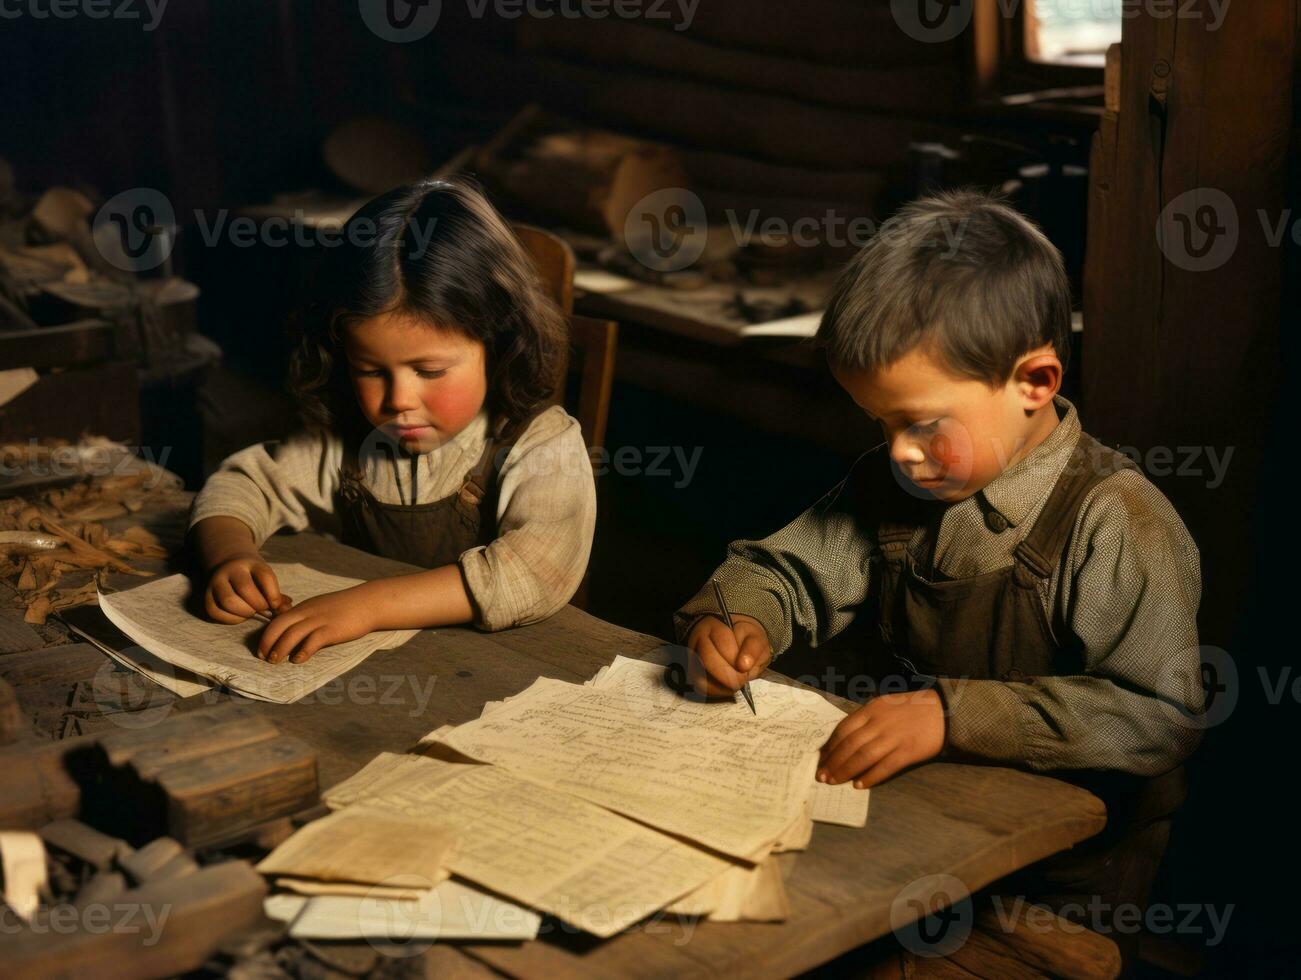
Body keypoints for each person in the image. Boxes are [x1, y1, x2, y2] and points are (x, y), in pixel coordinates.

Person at [675, 190, 1203, 936]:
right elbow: (785, 570)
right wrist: (737, 616)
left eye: (920, 424)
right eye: (879, 424)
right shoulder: (900, 482)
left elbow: (1161, 717)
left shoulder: (1118, 521)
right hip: (928, 825)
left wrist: (954, 715)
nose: (896, 452)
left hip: (1068, 871)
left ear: (1034, 383)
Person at [188, 177, 595, 664]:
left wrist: (368, 606)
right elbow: (245, 483)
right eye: (370, 371)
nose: (399, 400)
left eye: (430, 371)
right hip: (383, 674)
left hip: (508, 673)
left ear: (500, 343)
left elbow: (535, 573)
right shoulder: (351, 441)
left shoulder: (543, 444)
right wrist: (231, 555)